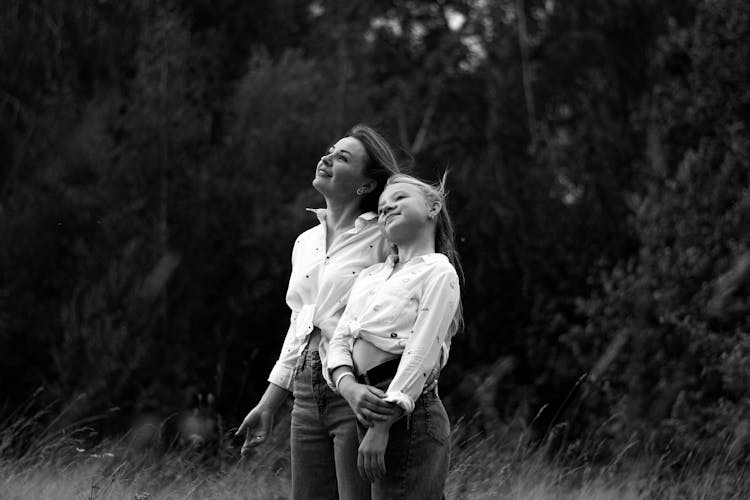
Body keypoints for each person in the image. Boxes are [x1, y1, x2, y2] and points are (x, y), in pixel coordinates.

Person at [236, 124, 402, 500]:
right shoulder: (306, 242)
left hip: (358, 386)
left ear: (365, 185)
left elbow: (403, 315)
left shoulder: (384, 237)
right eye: (329, 150)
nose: (326, 158)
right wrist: (269, 403)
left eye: (342, 157)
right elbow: (302, 323)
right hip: (306, 394)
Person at [328, 173, 463, 500]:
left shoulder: (438, 271)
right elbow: (340, 339)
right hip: (361, 406)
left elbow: (421, 351)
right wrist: (349, 387)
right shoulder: (371, 277)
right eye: (383, 206)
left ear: (433, 206)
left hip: (406, 415)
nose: (387, 208)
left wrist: (381, 425)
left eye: (399, 199)